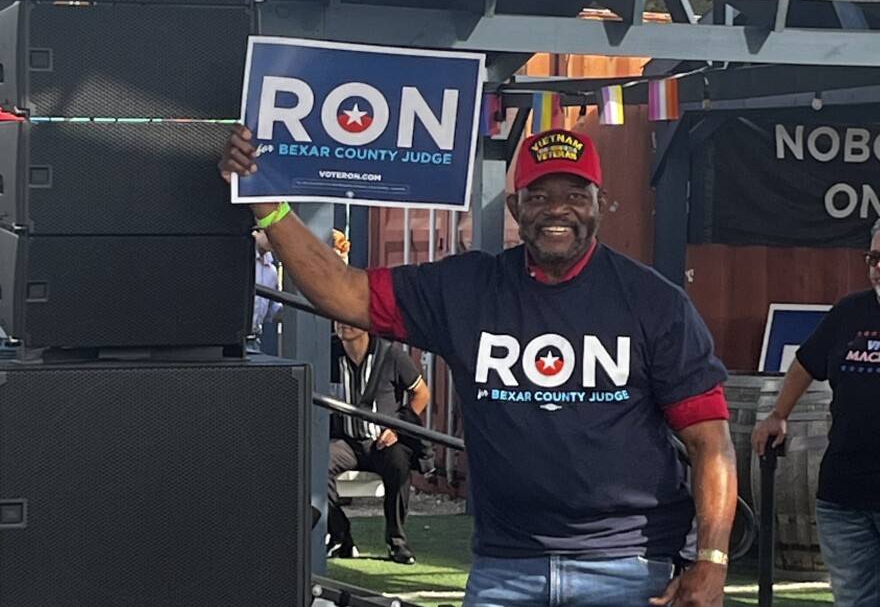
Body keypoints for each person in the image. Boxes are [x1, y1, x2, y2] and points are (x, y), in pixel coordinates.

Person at [221, 125, 736, 606]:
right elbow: (346, 291)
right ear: (515, 206)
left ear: (602, 205)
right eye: (539, 196)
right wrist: (264, 202)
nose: (558, 210)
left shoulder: (654, 303)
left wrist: (711, 560)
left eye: (576, 195)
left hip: (630, 565)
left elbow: (709, 441)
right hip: (506, 566)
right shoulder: (466, 289)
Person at [752, 219, 880, 607]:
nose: (878, 268)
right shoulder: (850, 312)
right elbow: (806, 362)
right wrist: (779, 413)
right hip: (844, 496)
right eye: (874, 258)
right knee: (855, 600)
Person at [327, 320, 431, 565]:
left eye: (348, 318)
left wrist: (396, 427)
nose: (342, 324)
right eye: (337, 318)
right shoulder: (330, 352)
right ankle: (340, 533)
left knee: (398, 465)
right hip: (346, 442)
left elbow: (422, 393)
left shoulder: (392, 355)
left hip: (381, 443)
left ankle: (397, 541)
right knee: (315, 461)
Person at [249, 228, 282, 352]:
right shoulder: (240, 261)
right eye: (269, 233)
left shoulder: (271, 271)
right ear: (256, 231)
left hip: (254, 340)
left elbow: (271, 311)